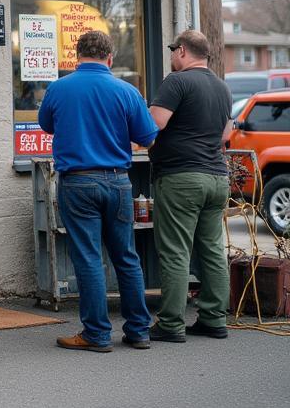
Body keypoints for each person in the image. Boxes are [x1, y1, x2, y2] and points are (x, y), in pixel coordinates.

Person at [38, 30, 159, 352]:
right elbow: (148, 138)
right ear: (110, 58)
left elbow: (46, 125)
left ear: (77, 56)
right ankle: (138, 330)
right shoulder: (127, 91)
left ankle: (96, 334)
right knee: (127, 257)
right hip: (118, 180)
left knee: (89, 258)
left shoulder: (59, 88)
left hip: (77, 182)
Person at [147, 29, 233, 343]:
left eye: (172, 51)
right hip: (216, 177)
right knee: (211, 251)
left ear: (182, 50)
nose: (171, 57)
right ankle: (213, 318)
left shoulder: (177, 82)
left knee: (175, 251)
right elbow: (225, 134)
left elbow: (153, 124)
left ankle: (170, 323)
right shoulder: (222, 87)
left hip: (182, 178)